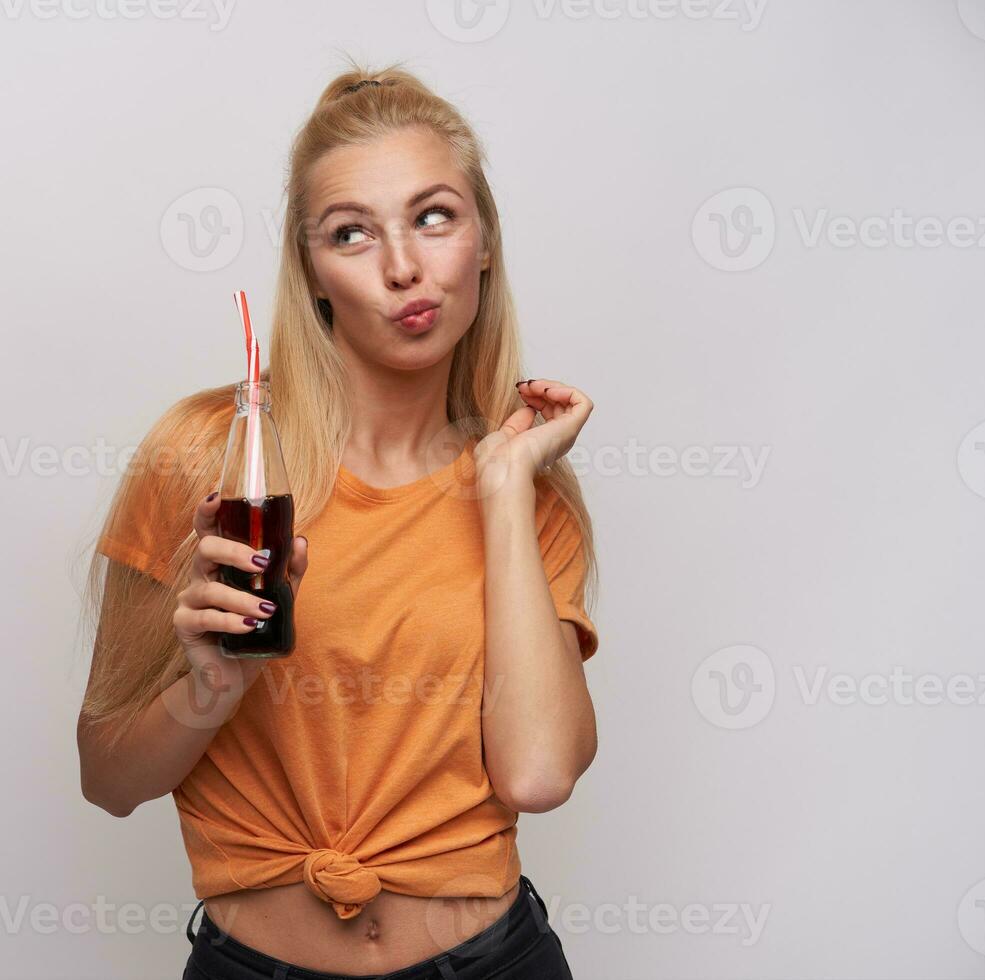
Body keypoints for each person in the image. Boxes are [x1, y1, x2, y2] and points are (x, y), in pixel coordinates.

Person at [77, 59, 600, 979]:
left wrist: (506, 487)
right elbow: (107, 779)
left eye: (434, 216)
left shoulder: (529, 494)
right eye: (352, 234)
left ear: (482, 240)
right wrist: (207, 689)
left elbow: (539, 775)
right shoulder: (207, 461)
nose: (404, 267)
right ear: (312, 272)